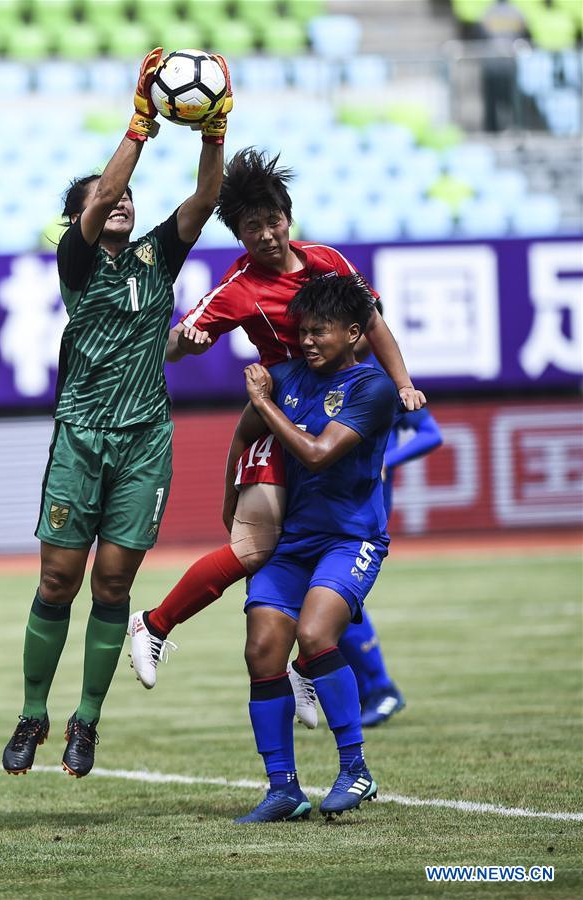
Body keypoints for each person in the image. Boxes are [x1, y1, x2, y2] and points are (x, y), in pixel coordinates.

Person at [1, 47, 232, 778]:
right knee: (57, 583)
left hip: (144, 445)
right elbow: (101, 196)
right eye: (106, 201)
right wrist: (140, 124)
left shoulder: (156, 260)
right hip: (80, 440)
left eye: (129, 199)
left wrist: (213, 136)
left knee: (112, 587)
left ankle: (86, 722)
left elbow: (200, 205)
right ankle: (33, 712)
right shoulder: (78, 263)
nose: (122, 204)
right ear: (78, 220)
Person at [128, 148, 425, 688]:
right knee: (254, 549)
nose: (265, 234)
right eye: (251, 227)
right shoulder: (239, 286)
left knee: (328, 544)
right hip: (281, 411)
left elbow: (374, 324)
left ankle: (304, 664)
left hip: (337, 411)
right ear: (239, 235)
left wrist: (403, 383)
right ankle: (154, 623)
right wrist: (185, 341)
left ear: (288, 218)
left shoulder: (329, 263)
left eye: (272, 221)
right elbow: (175, 343)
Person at [233, 272, 398, 822]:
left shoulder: (372, 389)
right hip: (293, 542)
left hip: (352, 538)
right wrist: (232, 500)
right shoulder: (287, 377)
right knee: (261, 652)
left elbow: (317, 453)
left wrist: (264, 400)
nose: (306, 341)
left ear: (355, 333)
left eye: (319, 331)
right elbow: (244, 432)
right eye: (302, 331)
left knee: (314, 633)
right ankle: (283, 788)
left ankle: (355, 768)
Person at [291, 300, 444, 730]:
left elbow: (431, 433)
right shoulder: (316, 376)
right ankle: (366, 690)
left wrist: (387, 459)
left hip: (362, 504)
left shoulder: (383, 380)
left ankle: (380, 688)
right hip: (323, 505)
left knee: (336, 597)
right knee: (324, 599)